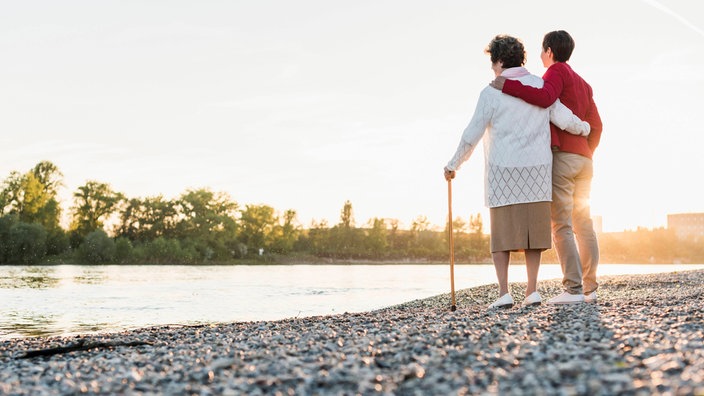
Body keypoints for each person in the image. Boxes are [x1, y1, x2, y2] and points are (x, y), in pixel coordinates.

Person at [444, 34, 590, 310]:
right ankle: (532, 291)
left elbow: (472, 134)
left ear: (498, 61)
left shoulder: (491, 92)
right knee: (533, 236)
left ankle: (504, 292)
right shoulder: (539, 84)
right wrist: (584, 128)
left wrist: (453, 164)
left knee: (502, 237)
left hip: (503, 173)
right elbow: (563, 116)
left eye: (493, 63)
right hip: (537, 173)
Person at [490, 30, 603, 305]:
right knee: (584, 224)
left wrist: (505, 85)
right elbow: (597, 126)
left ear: (550, 51)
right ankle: (590, 288)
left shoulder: (555, 72)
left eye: (543, 51)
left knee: (562, 224)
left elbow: (544, 98)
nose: (541, 56)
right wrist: (586, 150)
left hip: (563, 156)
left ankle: (573, 290)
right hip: (585, 159)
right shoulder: (585, 84)